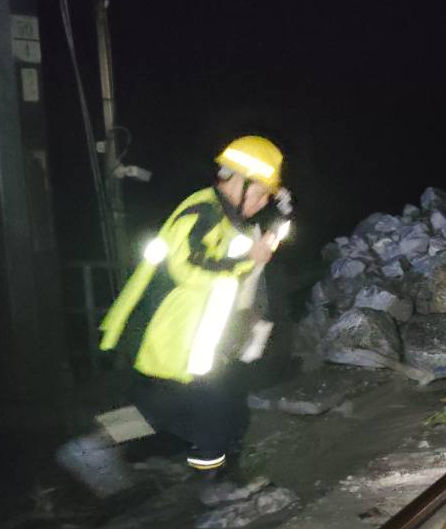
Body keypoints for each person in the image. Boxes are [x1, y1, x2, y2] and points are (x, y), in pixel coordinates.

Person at [58, 135, 293, 505]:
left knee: (159, 412)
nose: (263, 201)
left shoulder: (227, 219)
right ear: (239, 181)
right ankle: (213, 483)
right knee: (216, 411)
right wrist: (251, 258)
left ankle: (92, 447)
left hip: (193, 345)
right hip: (175, 342)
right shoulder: (202, 211)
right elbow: (189, 266)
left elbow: (232, 283)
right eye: (261, 192)